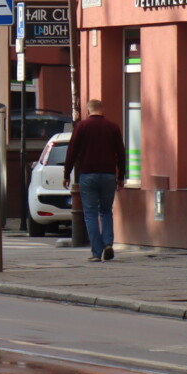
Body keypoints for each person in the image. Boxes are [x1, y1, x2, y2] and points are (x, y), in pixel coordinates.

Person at [63, 98, 127, 263]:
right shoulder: (113, 127)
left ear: (88, 111)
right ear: (102, 110)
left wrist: (66, 173)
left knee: (90, 214)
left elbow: (72, 151)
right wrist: (121, 177)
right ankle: (108, 243)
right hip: (108, 176)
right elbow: (121, 153)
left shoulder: (82, 127)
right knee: (106, 211)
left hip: (88, 175)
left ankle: (96, 252)